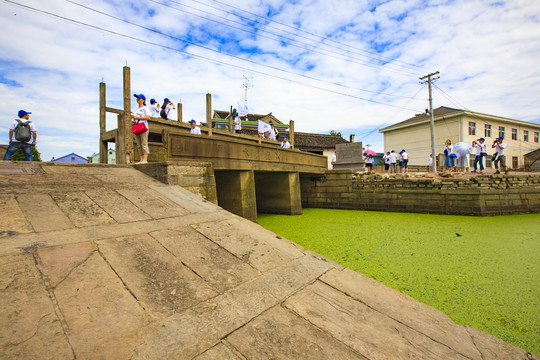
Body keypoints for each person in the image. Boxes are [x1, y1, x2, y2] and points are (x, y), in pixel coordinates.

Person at [131, 94, 151, 164]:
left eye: (139, 98)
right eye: (137, 98)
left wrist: (138, 118)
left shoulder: (145, 108)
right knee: (139, 144)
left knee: (144, 143)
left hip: (143, 127)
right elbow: (135, 118)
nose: (138, 99)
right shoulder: (136, 109)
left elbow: (148, 117)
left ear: (143, 100)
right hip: (137, 127)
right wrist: (134, 120)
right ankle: (141, 159)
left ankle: (145, 159)